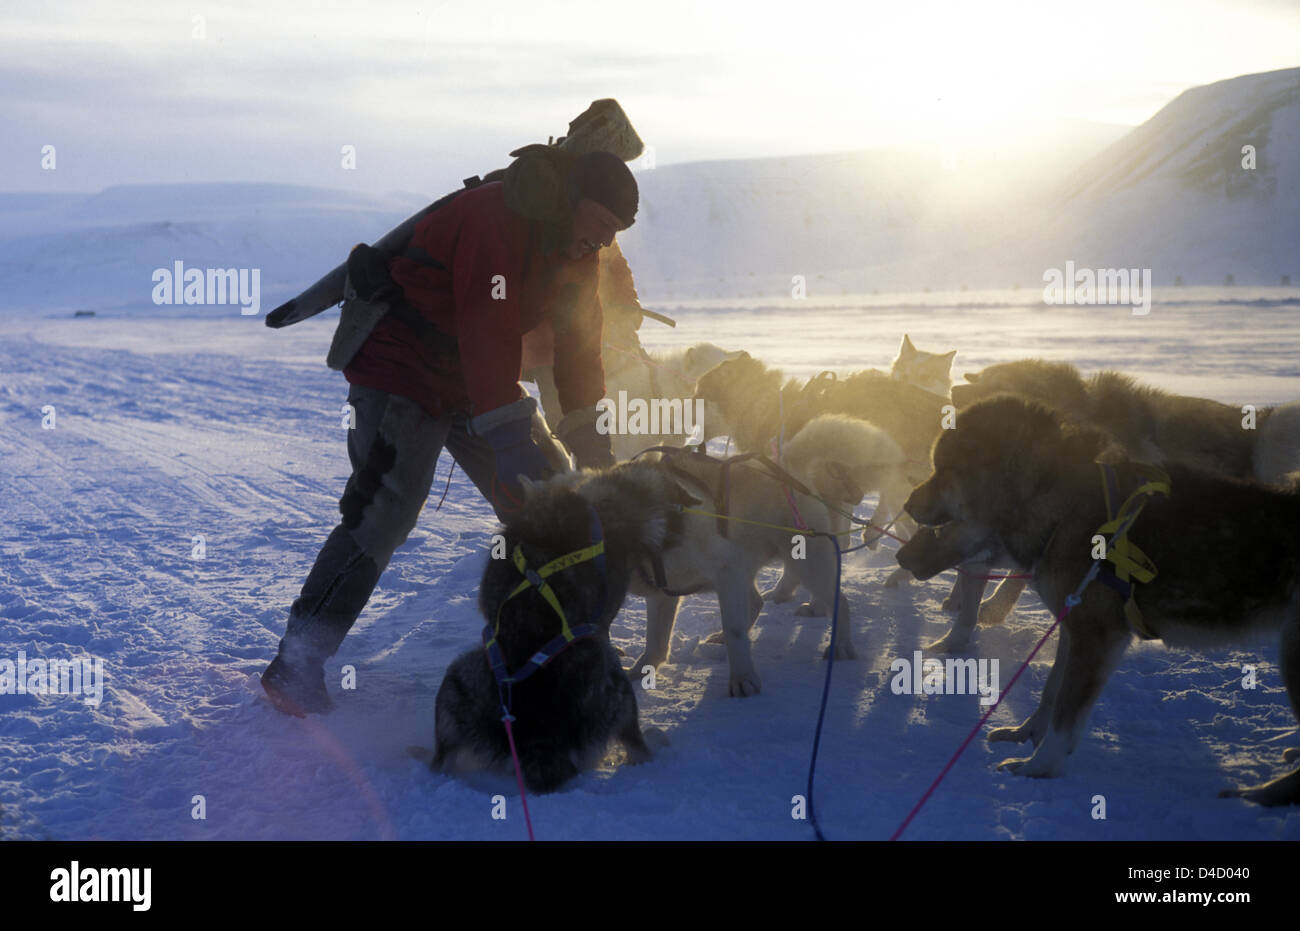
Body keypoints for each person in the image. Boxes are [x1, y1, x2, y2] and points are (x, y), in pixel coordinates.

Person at [260, 149, 640, 716]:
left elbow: (580, 346)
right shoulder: (494, 216)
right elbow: (487, 330)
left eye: (617, 231)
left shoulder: (576, 250)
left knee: (557, 494)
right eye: (604, 224)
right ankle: (298, 660)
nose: (607, 241)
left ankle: (575, 646)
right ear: (572, 200)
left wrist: (591, 444)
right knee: (384, 508)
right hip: (400, 365)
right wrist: (507, 441)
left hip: (471, 375)